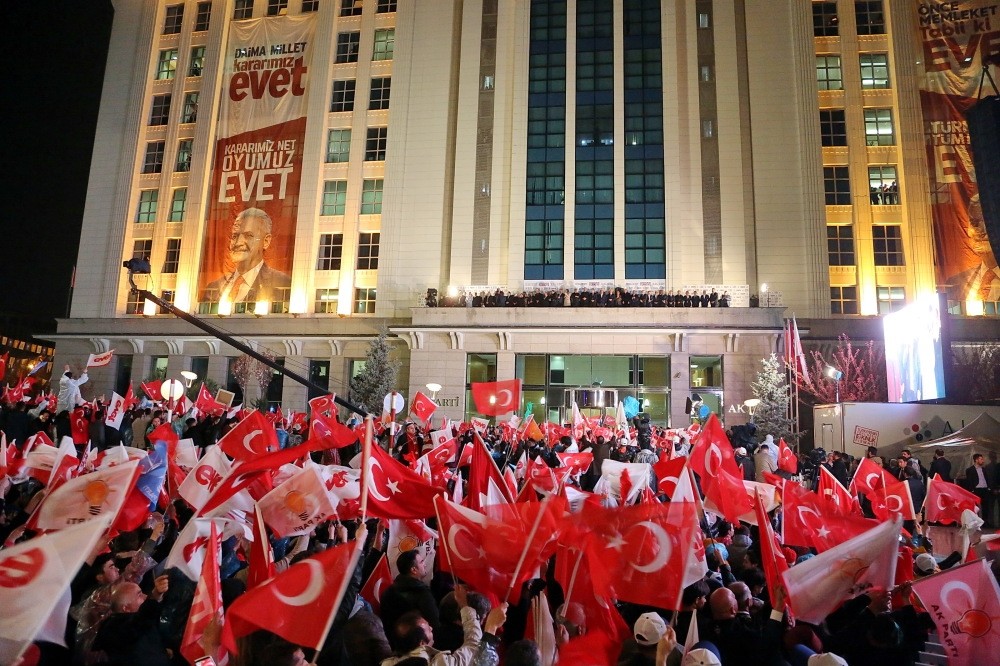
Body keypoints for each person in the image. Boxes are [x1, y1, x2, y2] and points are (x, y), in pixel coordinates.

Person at [207, 207, 292, 304]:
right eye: (235, 236)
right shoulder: (213, 288)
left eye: (248, 236)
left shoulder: (283, 284)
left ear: (266, 241)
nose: (238, 243)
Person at [964, 454, 993, 527]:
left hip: (984, 489)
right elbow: (969, 480)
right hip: (976, 490)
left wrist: (989, 487)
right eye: (981, 459)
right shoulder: (970, 470)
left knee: (986, 506)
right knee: (976, 507)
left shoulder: (984, 469)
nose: (982, 461)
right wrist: (972, 490)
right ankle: (976, 522)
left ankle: (985, 522)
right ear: (976, 460)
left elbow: (987, 478)